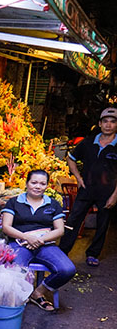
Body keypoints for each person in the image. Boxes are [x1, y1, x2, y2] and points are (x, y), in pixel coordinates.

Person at [1, 169, 76, 312]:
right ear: (27, 183)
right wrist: (27, 237)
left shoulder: (53, 204)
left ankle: (38, 292)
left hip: (46, 245)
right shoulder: (14, 202)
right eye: (34, 182)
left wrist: (40, 240)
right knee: (15, 271)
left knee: (67, 269)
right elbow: (6, 227)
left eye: (42, 183)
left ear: (47, 186)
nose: (37, 186)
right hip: (19, 244)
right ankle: (17, 298)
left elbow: (60, 230)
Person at [58, 107, 117, 267]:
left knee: (102, 224)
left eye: (113, 122)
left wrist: (115, 195)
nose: (108, 125)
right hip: (87, 189)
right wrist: (78, 178)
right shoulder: (88, 142)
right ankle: (63, 251)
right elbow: (71, 159)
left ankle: (93, 254)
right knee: (73, 220)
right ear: (100, 123)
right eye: (105, 121)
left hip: (107, 191)